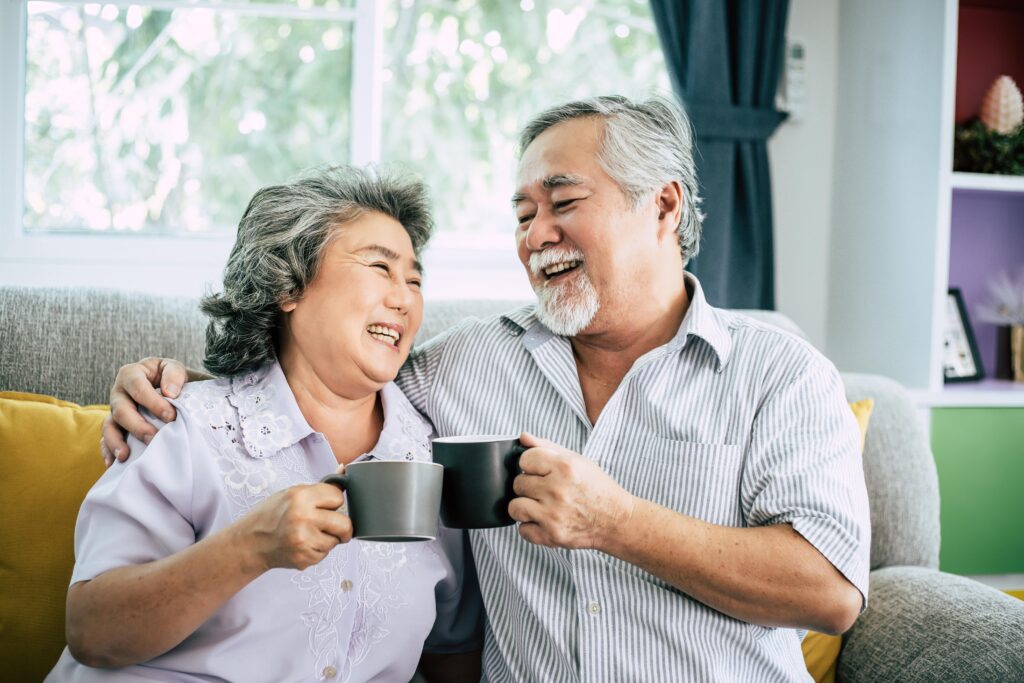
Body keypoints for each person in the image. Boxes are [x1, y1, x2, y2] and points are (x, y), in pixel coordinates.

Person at [103, 95, 870, 681]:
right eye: (523, 215)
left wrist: (619, 523)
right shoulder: (462, 365)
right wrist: (183, 384)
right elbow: (327, 376)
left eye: (563, 203)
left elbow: (831, 590)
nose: (536, 236)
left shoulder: (781, 372)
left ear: (663, 205)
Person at [51, 166, 481, 682]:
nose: (405, 297)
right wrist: (250, 545)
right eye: (380, 268)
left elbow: (452, 652)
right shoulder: (181, 423)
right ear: (289, 286)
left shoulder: (435, 457)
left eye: (414, 280)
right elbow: (93, 632)